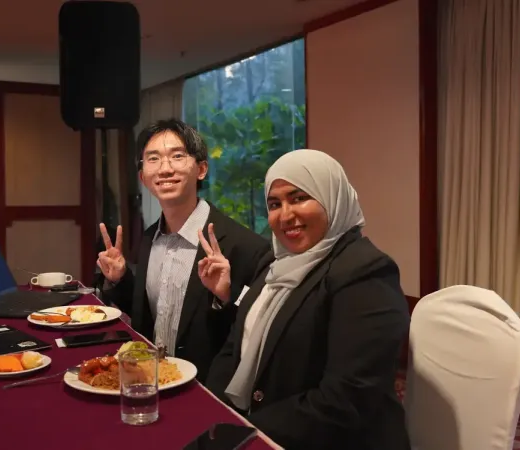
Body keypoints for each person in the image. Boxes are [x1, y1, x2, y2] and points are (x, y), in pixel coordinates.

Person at [203, 149, 411, 449]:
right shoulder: (275, 263)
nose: (286, 215)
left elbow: (347, 398)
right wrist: (216, 410)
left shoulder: (365, 271)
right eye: (275, 204)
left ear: (331, 197)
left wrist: (248, 430)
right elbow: (234, 346)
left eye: (299, 198)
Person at [97, 118, 270, 382]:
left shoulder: (244, 246)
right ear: (143, 177)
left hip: (208, 389)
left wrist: (225, 296)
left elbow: (257, 331)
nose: (165, 169)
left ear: (201, 169)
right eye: (153, 159)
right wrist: (119, 279)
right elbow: (150, 312)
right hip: (152, 382)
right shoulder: (149, 238)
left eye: (177, 156)